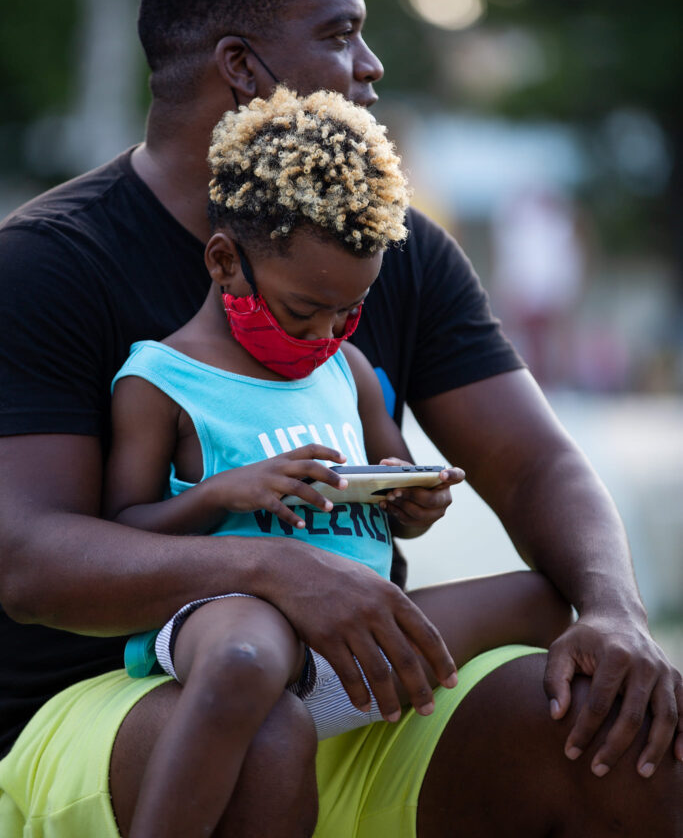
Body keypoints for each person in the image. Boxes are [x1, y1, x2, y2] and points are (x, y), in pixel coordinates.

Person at [0, 0, 680, 838]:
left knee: (621, 725)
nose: (371, 66)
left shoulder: (389, 246)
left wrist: (615, 614)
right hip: (115, 703)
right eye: (341, 33)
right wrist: (275, 568)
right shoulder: (47, 264)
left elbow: (534, 465)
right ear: (242, 66)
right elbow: (27, 560)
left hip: (343, 684)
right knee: (262, 732)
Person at [102, 85, 569, 838]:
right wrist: (224, 492)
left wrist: (414, 501)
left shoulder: (345, 369)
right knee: (247, 658)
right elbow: (122, 525)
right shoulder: (160, 381)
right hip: (231, 626)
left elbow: (395, 490)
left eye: (347, 312)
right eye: (301, 310)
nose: (324, 331)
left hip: (351, 646)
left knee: (543, 601)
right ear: (225, 263)